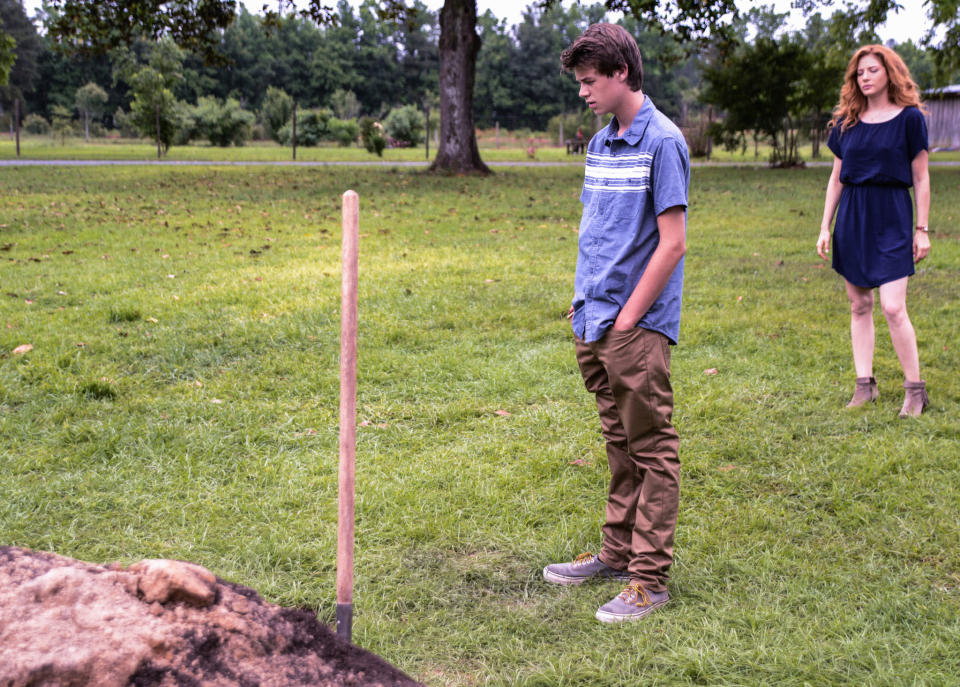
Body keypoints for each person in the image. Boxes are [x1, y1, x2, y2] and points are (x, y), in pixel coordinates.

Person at [543, 23, 688, 623]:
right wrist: (583, 306)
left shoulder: (664, 141)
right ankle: (616, 552)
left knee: (652, 448)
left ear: (621, 73)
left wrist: (628, 318)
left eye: (589, 81)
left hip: (634, 328)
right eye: (580, 82)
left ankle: (649, 580)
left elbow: (673, 242)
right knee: (618, 442)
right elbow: (597, 230)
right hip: (593, 320)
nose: (583, 93)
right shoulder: (602, 143)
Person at [817, 44, 931, 417]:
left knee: (893, 306)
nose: (864, 78)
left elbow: (921, 177)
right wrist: (825, 227)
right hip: (853, 218)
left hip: (893, 215)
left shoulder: (910, 119)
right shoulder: (845, 124)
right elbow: (836, 179)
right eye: (859, 73)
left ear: (889, 73)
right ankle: (864, 385)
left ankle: (915, 391)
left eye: (872, 71)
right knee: (859, 304)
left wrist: (922, 229)